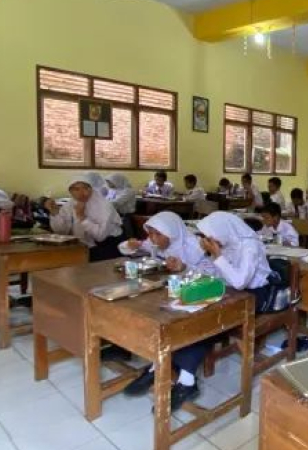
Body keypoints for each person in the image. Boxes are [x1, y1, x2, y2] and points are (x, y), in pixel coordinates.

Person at [125, 212, 274, 410]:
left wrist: (217, 255)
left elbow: (240, 282)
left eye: (209, 237)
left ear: (222, 230)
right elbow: (212, 272)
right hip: (228, 290)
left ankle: (185, 381)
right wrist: (185, 267)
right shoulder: (227, 243)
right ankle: (160, 367)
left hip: (253, 295)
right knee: (184, 312)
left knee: (206, 322)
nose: (206, 241)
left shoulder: (250, 247)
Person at [46, 175, 123, 261]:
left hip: (107, 247)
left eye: (86, 188)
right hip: (83, 246)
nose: (82, 192)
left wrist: (82, 217)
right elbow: (61, 231)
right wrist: (55, 212)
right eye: (76, 189)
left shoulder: (103, 206)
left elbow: (100, 236)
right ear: (70, 191)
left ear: (92, 189)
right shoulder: (70, 204)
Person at [118, 211, 214, 274]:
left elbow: (212, 274)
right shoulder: (153, 242)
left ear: (172, 233)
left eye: (158, 234)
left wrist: (185, 268)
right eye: (150, 233)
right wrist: (131, 245)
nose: (153, 239)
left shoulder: (197, 247)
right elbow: (124, 248)